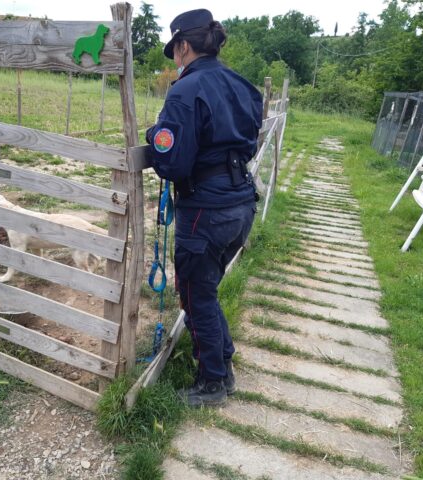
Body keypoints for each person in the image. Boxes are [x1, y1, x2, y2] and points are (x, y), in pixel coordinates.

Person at [146, 9, 263, 407]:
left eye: (175, 50)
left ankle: (212, 382)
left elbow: (173, 163)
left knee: (196, 294)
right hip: (241, 202)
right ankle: (222, 364)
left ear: (183, 46)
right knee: (206, 290)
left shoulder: (184, 91)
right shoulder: (242, 85)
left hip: (206, 209)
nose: (175, 58)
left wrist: (155, 136)